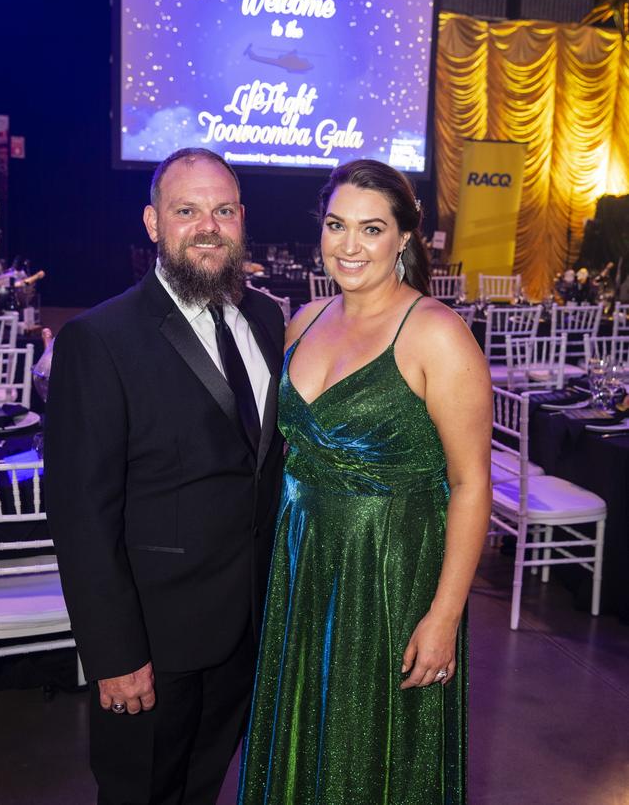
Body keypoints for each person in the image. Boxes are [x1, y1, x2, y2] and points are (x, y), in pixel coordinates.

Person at [237, 159, 492, 805]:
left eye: (371, 229)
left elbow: (470, 485)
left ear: (404, 238)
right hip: (303, 572)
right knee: (304, 733)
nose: (348, 245)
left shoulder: (437, 335)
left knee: (374, 752)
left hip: (388, 580)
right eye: (335, 225)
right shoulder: (305, 321)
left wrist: (444, 616)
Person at [44, 148, 285, 805]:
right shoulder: (100, 339)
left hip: (245, 629)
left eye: (223, 210)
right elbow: (80, 513)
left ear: (241, 220)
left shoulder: (267, 319)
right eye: (187, 210)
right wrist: (114, 654)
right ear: (154, 223)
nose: (208, 226)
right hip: (151, 641)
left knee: (202, 787)